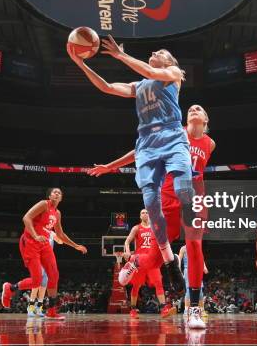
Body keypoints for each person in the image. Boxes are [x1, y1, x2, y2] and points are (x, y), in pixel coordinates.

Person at [69, 36, 191, 296]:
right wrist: (80, 64)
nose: (154, 50)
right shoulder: (140, 86)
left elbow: (149, 70)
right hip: (146, 143)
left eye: (160, 49)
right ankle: (171, 261)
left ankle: (189, 240)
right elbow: (107, 87)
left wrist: (120, 56)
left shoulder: (172, 74)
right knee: (150, 201)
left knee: (183, 188)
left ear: (170, 61)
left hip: (172, 136)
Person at [88, 104, 215, 329]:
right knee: (155, 261)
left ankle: (194, 309)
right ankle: (136, 260)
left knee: (195, 246)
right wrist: (111, 166)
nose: (194, 109)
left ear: (205, 119)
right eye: (191, 109)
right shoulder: (174, 133)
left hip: (194, 200)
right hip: (167, 199)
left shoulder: (210, 143)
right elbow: (142, 151)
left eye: (199, 109)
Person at [1, 188, 87, 319]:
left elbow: (60, 234)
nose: (57, 194)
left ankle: (51, 311)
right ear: (50, 195)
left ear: (61, 198)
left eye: (59, 193)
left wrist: (76, 246)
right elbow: (26, 218)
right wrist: (35, 236)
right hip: (30, 241)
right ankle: (10, 288)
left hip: (44, 244)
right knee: (37, 281)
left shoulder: (57, 213)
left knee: (54, 275)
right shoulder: (43, 204)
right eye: (54, 192)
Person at [124, 209, 176, 319]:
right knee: (136, 285)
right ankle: (133, 309)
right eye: (142, 212)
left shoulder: (155, 228)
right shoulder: (136, 228)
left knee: (158, 283)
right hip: (139, 260)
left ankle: (163, 309)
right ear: (140, 216)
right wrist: (128, 252)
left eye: (147, 212)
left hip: (152, 259)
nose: (145, 214)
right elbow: (127, 241)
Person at [27, 231, 63, 317]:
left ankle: (39, 307)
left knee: (43, 286)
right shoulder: (38, 231)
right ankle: (31, 307)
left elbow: (60, 242)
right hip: (38, 261)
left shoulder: (52, 233)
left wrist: (60, 236)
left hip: (48, 262)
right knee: (36, 285)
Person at [179, 244, 208, 319]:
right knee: (188, 290)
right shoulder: (183, 248)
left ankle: (202, 310)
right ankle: (186, 311)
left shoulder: (197, 246)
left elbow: (201, 258)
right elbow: (179, 260)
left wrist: (204, 267)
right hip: (187, 270)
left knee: (200, 290)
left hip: (197, 269)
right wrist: (178, 271)